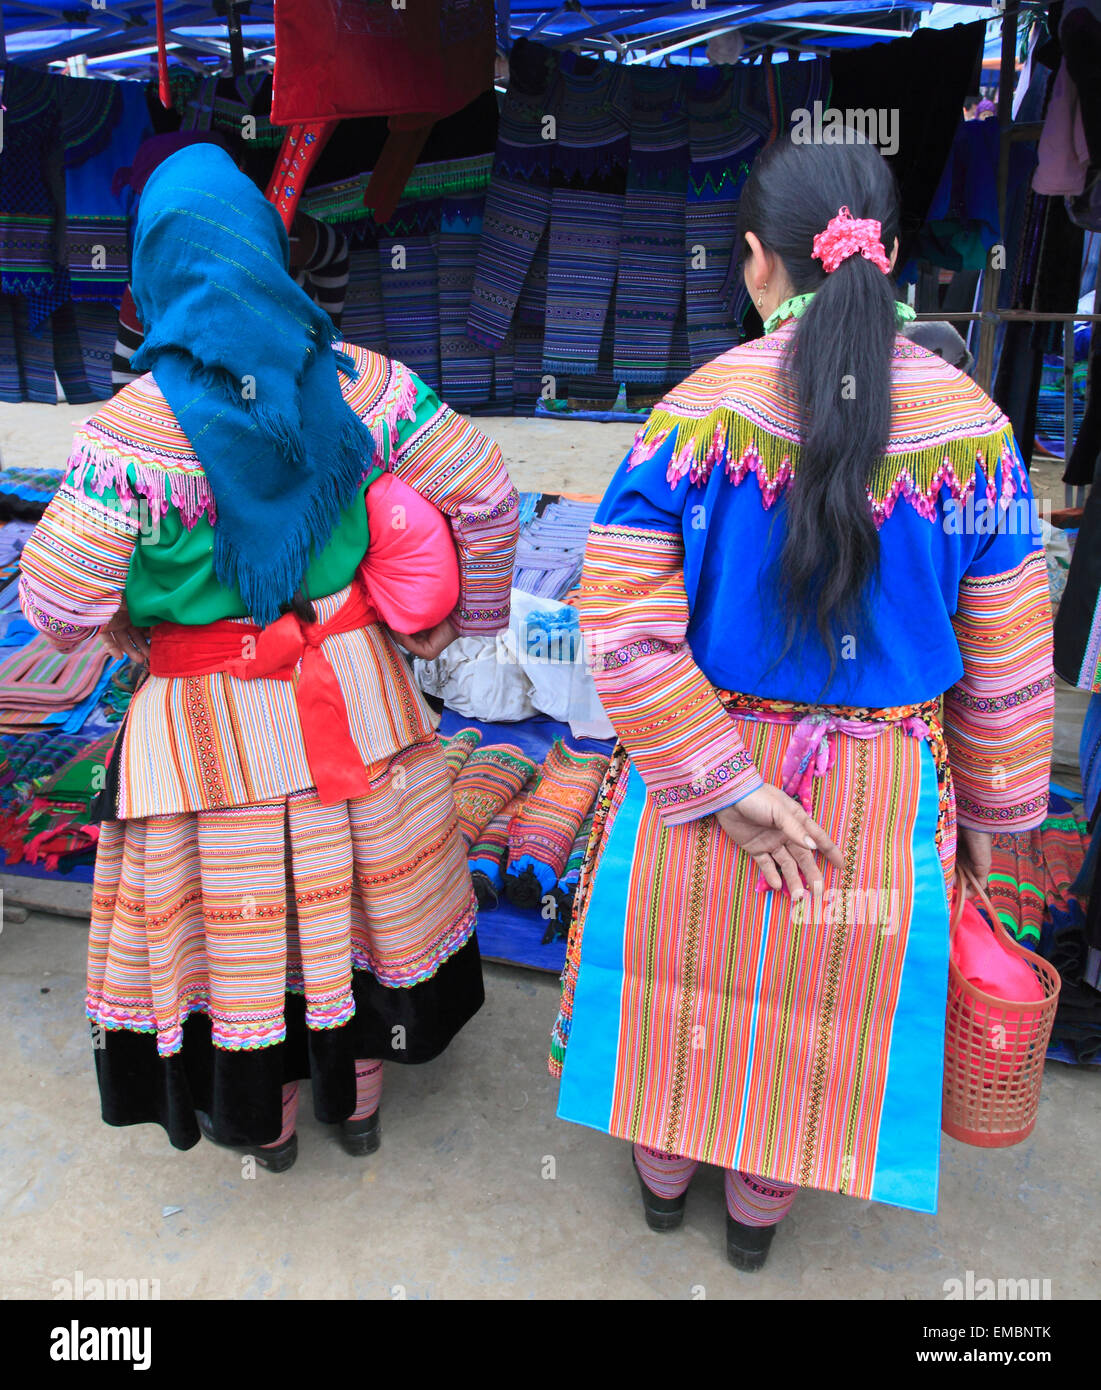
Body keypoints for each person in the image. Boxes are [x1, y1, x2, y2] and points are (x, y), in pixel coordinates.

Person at [550, 137, 1054, 1270]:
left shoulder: (694, 415)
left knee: (685, 985)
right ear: (890, 260)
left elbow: (622, 622)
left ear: (756, 264)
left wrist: (721, 787)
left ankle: (666, 1179)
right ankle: (758, 1216)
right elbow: (1011, 659)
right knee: (824, 1001)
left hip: (703, 770)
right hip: (876, 792)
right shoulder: (976, 432)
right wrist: (997, 814)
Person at [19, 144, 519, 1171]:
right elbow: (486, 493)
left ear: (154, 270)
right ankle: (363, 1100)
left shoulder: (129, 438)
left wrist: (132, 630)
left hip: (202, 728)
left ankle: (273, 1119)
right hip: (358, 695)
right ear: (267, 248)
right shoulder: (365, 385)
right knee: (358, 892)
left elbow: (57, 602)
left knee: (243, 921)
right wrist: (446, 624)